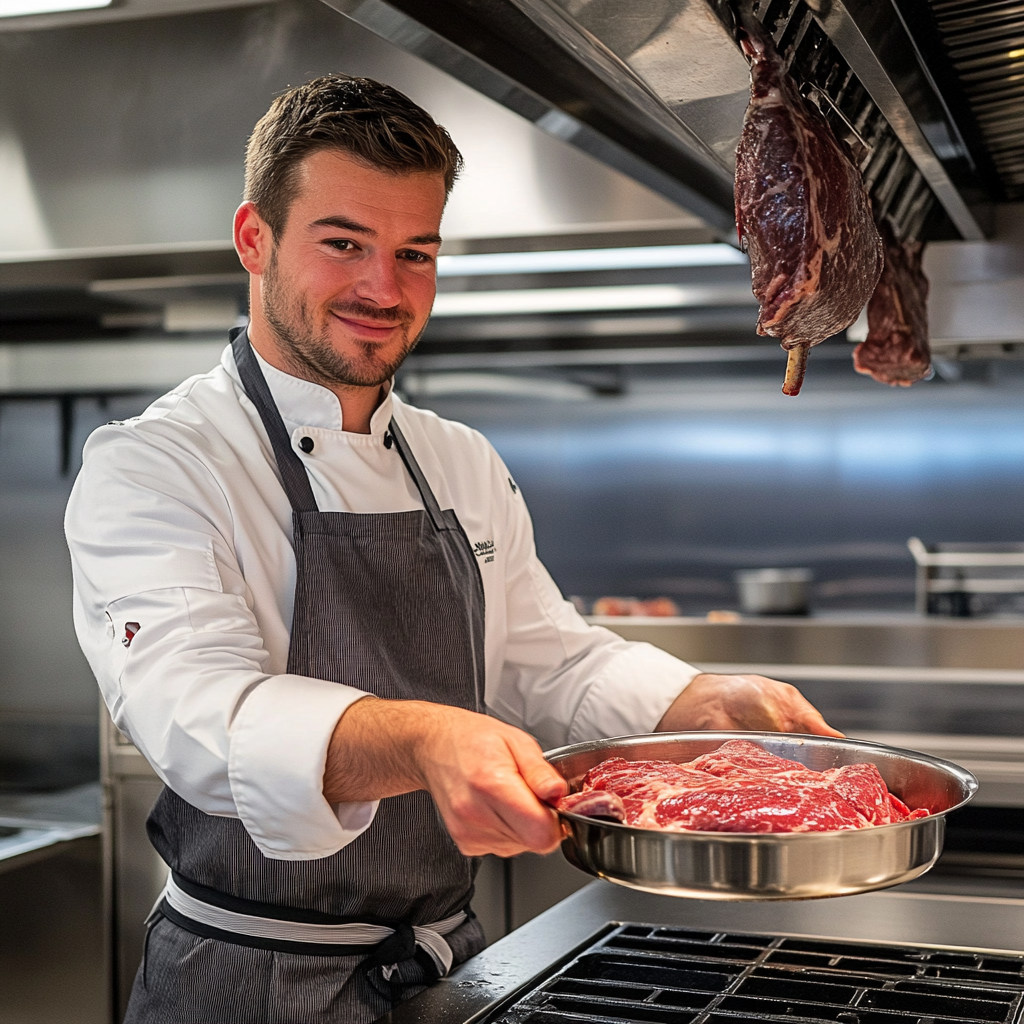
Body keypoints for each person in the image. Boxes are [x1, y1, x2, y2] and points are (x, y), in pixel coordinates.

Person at [65, 74, 841, 1023]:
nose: (384, 289)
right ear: (254, 239)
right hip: (241, 981)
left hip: (447, 975)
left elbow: (545, 657)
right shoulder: (156, 464)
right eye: (343, 243)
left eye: (416, 253)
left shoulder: (457, 460)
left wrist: (692, 702)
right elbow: (199, 717)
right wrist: (427, 737)